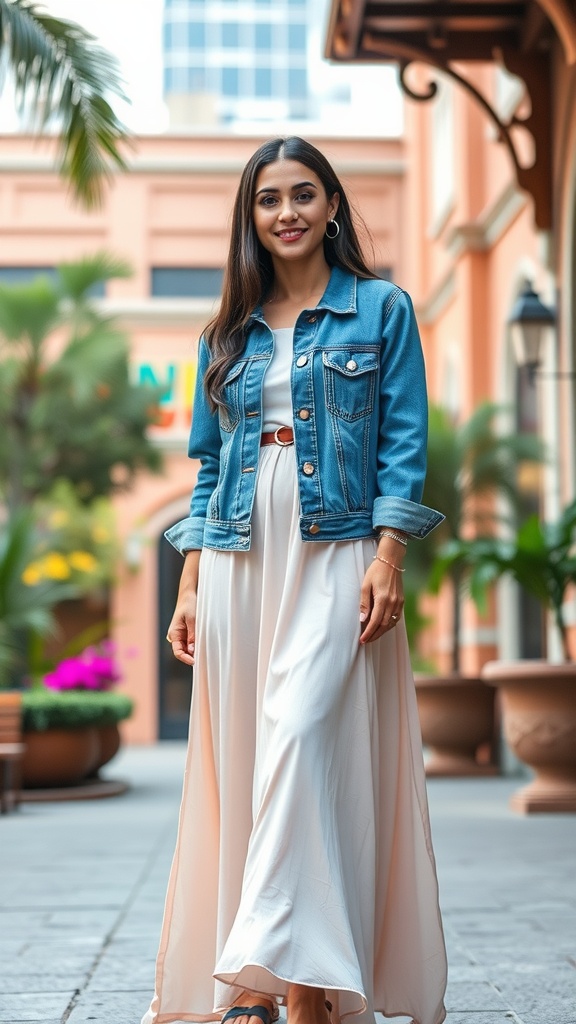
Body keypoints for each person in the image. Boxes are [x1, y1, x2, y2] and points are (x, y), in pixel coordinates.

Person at [142, 136, 447, 1024]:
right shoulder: (227, 333)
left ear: (332, 206)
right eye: (269, 200)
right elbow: (208, 465)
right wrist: (190, 580)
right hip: (240, 553)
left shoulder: (380, 310)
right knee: (250, 760)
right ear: (252, 218)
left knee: (303, 737)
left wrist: (389, 558)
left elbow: (404, 444)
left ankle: (290, 982)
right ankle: (272, 984)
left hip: (338, 546)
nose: (288, 213)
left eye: (304, 194)